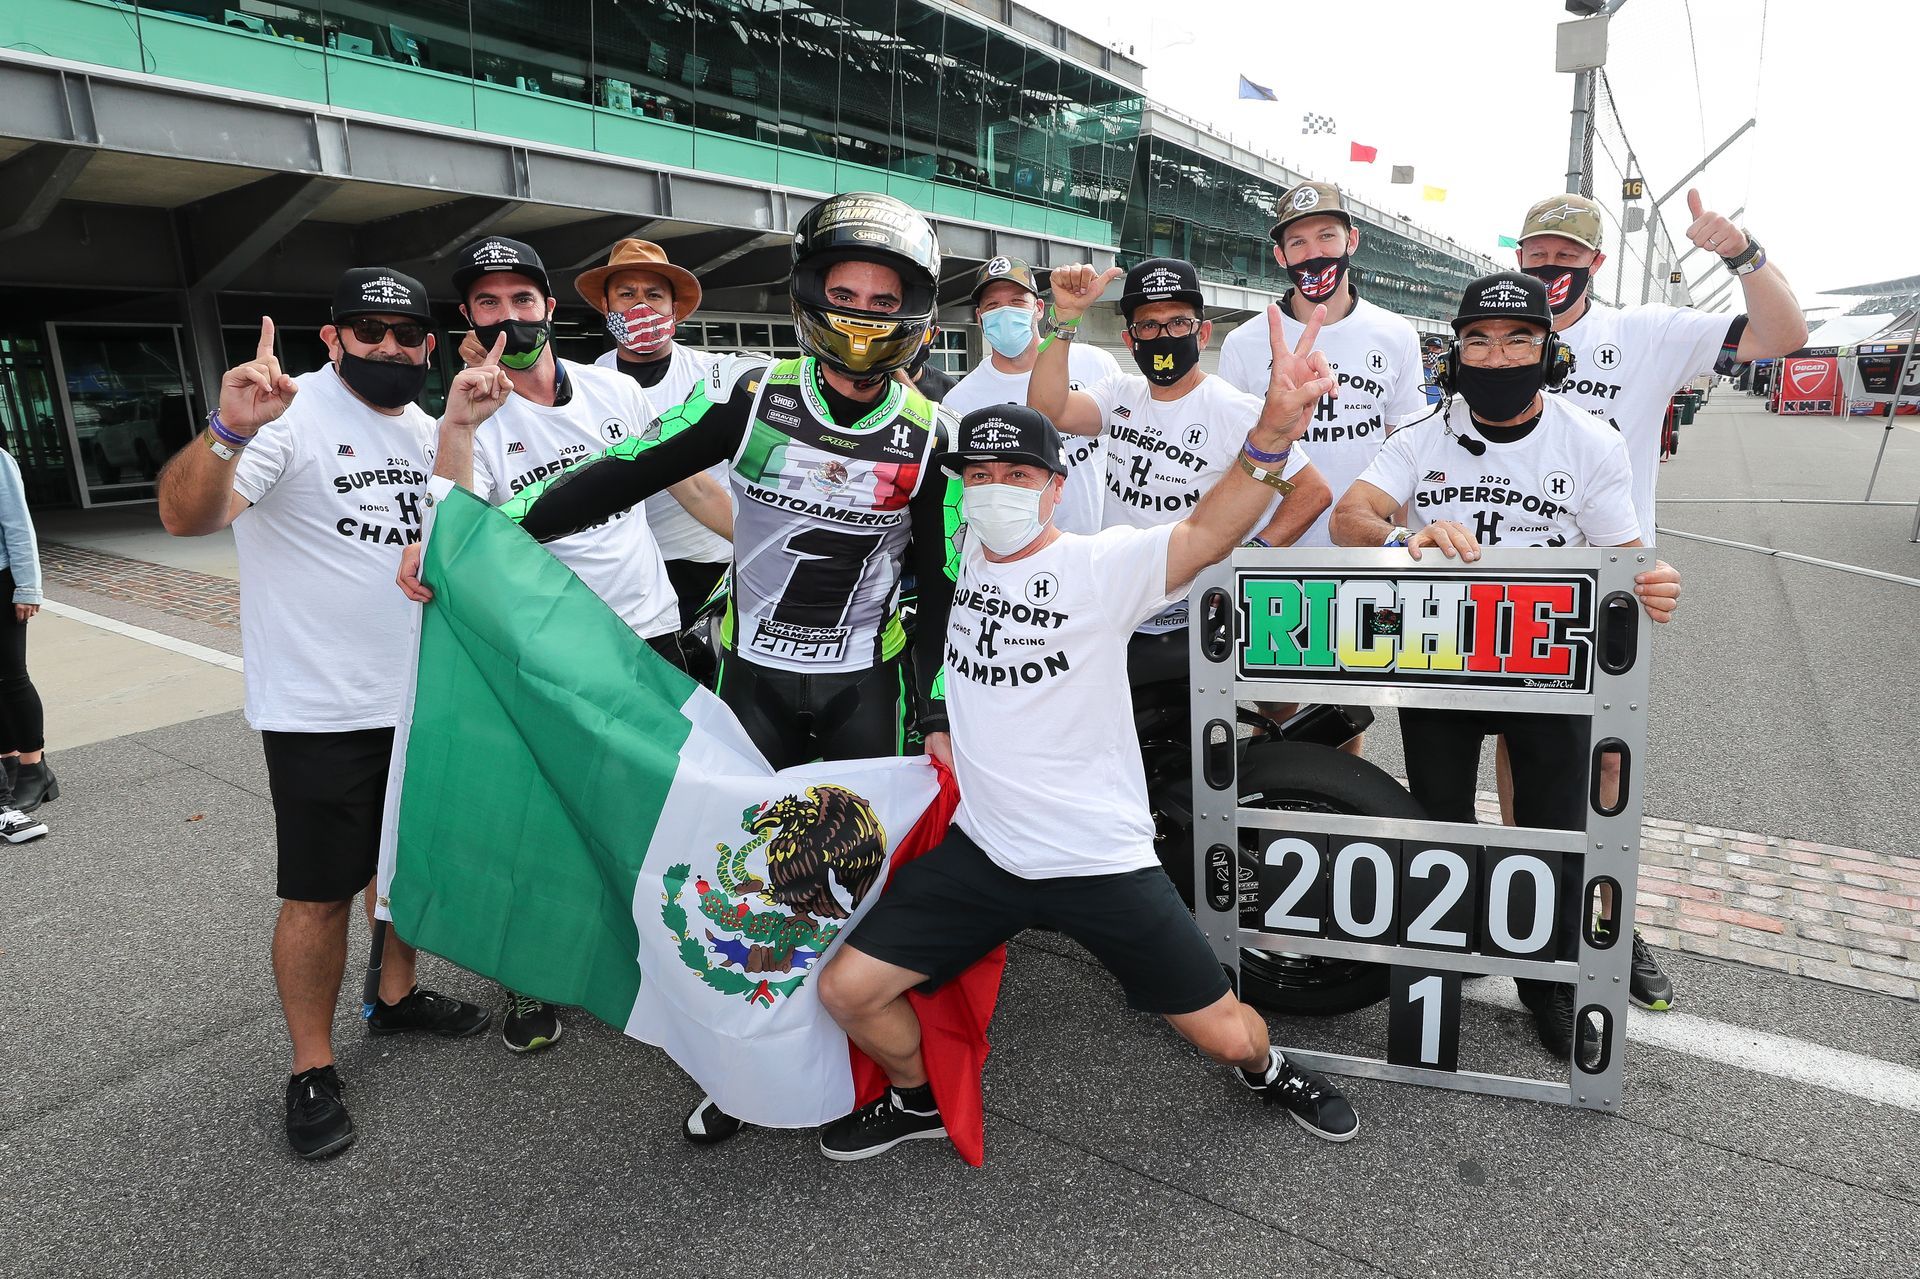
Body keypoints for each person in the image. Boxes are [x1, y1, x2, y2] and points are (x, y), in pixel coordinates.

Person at [812, 318, 1361, 1161]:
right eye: (982, 474)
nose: (998, 488)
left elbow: (1207, 533)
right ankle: (918, 1098)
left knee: (1224, 1035)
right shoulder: (955, 562)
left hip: (1100, 859)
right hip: (986, 854)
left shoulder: (1098, 566)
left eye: (1019, 474)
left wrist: (1273, 432)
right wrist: (938, 719)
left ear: (1054, 485)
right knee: (847, 990)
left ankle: (1270, 1064)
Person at [495, 191, 960, 1144]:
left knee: (852, 892)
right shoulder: (754, 399)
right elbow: (617, 475)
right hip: (753, 685)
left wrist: (937, 711)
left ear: (910, 312)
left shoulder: (929, 431)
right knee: (749, 889)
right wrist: (486, 530)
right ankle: (743, 1068)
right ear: (808, 296)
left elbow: (938, 586)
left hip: (865, 691)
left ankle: (868, 1063)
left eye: (884, 296)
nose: (864, 312)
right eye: (845, 290)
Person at [156, 269, 490, 1160]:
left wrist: (456, 431)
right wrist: (228, 428)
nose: (386, 347)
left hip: (421, 698)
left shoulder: (428, 428)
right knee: (318, 894)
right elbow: (186, 516)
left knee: (407, 861)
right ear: (333, 336)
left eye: (403, 334)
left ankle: (394, 993)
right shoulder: (287, 418)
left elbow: (459, 526)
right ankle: (311, 1066)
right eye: (366, 330)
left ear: (428, 345)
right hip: (321, 708)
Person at [1328, 271, 1683, 1059]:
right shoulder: (1421, 433)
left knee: (1556, 822)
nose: (1497, 357)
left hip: (1551, 659)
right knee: (1440, 814)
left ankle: (1549, 975)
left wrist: (1647, 583)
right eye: (1478, 342)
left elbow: (1624, 558)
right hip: (1443, 654)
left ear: (1549, 352)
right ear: (1453, 354)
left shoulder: (1590, 440)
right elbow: (1349, 515)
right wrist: (1403, 539)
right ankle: (1445, 949)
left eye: (1519, 339)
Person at [397, 234, 730, 1054]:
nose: (507, 315)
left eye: (521, 299)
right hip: (551, 644)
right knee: (545, 810)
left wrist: (759, 552)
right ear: (469, 316)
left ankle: (652, 945)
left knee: (654, 797)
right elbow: (455, 528)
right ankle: (527, 977)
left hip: (648, 629)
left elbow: (682, 480)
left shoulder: (615, 389)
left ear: (550, 307)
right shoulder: (470, 409)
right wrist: (460, 426)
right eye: (487, 302)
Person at [1507, 189, 1807, 1011]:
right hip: (1510, 587)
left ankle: (1607, 914)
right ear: (1519, 258)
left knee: (1607, 761)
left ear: (1595, 266)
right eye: (1538, 254)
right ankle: (1528, 910)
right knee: (1522, 760)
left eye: (1568, 258)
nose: (1550, 269)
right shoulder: (1496, 332)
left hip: (1608, 587)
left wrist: (1741, 252)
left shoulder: (1641, 333)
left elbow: (1784, 337)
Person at [1029, 256, 1329, 686]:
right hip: (1119, 607)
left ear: (1202, 333)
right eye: (1148, 326)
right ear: (1130, 341)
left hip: (1191, 621)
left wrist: (1247, 561)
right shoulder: (1120, 393)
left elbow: (1311, 491)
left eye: (1177, 323)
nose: (1163, 336)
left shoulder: (1233, 409)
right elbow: (1047, 409)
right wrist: (1066, 321)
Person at [1216, 181, 1430, 548]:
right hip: (1273, 547)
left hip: (1365, 547)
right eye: (1298, 242)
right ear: (1281, 256)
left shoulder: (1396, 334)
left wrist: (1399, 547)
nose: (1314, 253)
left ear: (1352, 240)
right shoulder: (1244, 343)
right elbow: (1230, 461)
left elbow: (1405, 454)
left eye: (1327, 236)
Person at [582, 238, 735, 630]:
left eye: (654, 295)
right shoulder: (587, 385)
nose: (641, 307)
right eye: (626, 294)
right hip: (627, 572)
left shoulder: (715, 376)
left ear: (674, 308)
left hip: (711, 562)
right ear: (606, 305)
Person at [942, 256, 1121, 534]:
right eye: (992, 305)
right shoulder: (959, 401)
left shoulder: (1096, 364)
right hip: (1015, 557)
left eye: (1016, 302)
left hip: (1095, 549)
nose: (1004, 312)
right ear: (979, 318)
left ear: (1038, 308)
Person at [0, 444, 51, 840]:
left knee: (11, 677)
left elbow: (17, 524)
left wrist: (27, 586)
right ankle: (10, 760)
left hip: (2, 581)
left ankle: (36, 768)